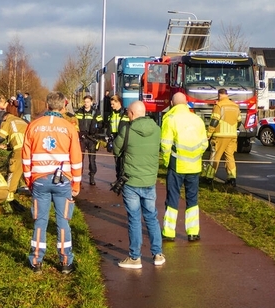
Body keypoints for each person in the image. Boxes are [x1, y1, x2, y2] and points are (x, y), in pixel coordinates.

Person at [22, 91, 82, 273]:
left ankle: (36, 261)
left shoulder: (33, 126)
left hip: (39, 180)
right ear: (64, 106)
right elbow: (77, 158)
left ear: (47, 105)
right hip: (63, 181)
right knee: (63, 221)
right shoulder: (69, 127)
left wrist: (29, 180)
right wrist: (76, 184)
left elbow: (25, 157)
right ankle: (66, 262)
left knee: (40, 221)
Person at [115, 101, 165, 268]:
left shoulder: (127, 129)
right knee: (152, 217)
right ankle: (157, 254)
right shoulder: (157, 129)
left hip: (131, 180)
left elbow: (116, 149)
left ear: (132, 113)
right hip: (150, 180)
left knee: (134, 219)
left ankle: (135, 257)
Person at [160, 92, 208, 242]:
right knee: (192, 200)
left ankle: (169, 232)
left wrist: (167, 162)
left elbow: (165, 145)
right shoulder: (197, 119)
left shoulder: (170, 119)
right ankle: (193, 232)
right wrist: (195, 156)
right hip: (194, 166)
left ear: (172, 104)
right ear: (186, 102)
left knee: (173, 198)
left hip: (176, 166)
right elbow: (204, 144)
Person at [201, 88, 241, 187]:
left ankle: (209, 178)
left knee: (215, 156)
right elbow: (239, 121)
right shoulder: (236, 106)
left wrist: (209, 134)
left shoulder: (219, 105)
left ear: (219, 95)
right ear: (227, 95)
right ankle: (232, 178)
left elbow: (214, 121)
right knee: (230, 157)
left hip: (220, 136)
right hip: (232, 136)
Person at [0, 108, 28, 206]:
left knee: (13, 170)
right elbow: (18, 137)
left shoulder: (8, 121)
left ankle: (8, 197)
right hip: (31, 149)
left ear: (4, 117)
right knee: (27, 171)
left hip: (20, 150)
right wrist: (7, 147)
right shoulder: (22, 121)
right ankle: (28, 192)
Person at [74, 95, 103, 186]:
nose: (86, 104)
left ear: (91, 102)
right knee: (80, 158)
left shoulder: (96, 112)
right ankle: (79, 177)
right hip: (82, 138)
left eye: (87, 102)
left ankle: (92, 176)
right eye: (85, 102)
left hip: (92, 138)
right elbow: (75, 123)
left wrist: (96, 129)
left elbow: (101, 124)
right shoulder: (79, 112)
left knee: (92, 159)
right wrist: (78, 132)